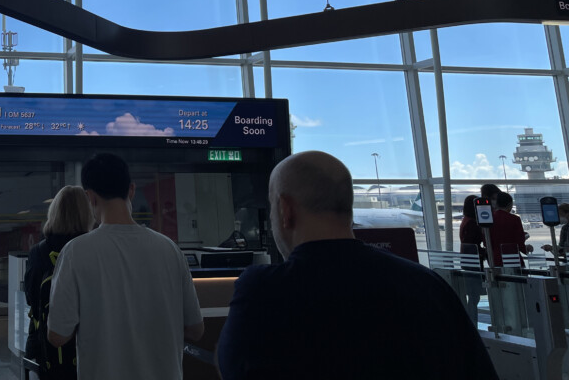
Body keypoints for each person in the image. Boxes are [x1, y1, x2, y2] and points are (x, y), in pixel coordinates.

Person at [216, 151, 497, 380]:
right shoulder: (429, 285)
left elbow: (232, 368)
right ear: (348, 208)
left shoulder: (263, 291)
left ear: (285, 210)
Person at [46, 153, 203, 380]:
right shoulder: (169, 249)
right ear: (131, 190)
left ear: (90, 197)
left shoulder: (75, 252)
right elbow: (196, 330)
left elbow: (57, 336)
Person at [24, 185, 92, 377]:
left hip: (46, 349)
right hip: (86, 347)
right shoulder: (90, 249)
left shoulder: (38, 252)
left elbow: (32, 299)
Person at [486, 191, 531, 267]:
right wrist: (526, 249)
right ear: (510, 204)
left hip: (495, 259)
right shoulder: (514, 219)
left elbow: (486, 240)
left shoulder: (489, 219)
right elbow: (519, 241)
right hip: (513, 258)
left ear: (496, 204)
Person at [458, 195, 484, 323]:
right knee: (474, 296)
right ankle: (471, 322)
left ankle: (471, 321)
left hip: (467, 260)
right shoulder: (472, 223)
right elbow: (473, 243)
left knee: (473, 295)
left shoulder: (465, 220)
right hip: (473, 261)